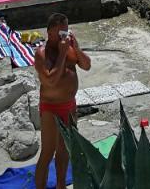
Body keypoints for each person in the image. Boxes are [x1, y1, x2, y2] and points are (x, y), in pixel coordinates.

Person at [34, 13, 92, 189]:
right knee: (48, 151)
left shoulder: (69, 48)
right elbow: (50, 81)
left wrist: (76, 47)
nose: (63, 36)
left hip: (69, 105)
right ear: (49, 33)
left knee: (64, 150)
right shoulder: (42, 54)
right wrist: (61, 53)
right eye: (60, 32)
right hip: (51, 107)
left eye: (66, 31)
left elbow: (86, 65)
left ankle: (61, 186)